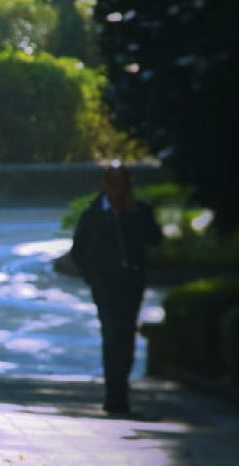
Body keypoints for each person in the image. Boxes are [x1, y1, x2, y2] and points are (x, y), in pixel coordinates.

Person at [70, 161, 163, 414]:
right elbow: (78, 251)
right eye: (113, 183)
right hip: (105, 285)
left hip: (131, 283)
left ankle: (120, 388)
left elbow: (155, 239)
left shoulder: (139, 211)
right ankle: (115, 393)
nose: (118, 190)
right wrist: (94, 277)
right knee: (112, 335)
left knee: (126, 335)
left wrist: (134, 215)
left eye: (123, 184)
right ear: (105, 185)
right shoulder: (93, 214)